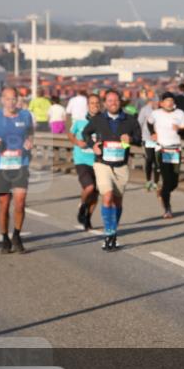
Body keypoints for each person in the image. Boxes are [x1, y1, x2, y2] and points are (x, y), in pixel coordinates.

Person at [82, 89, 142, 251]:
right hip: (102, 164)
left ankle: (113, 231)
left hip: (121, 166)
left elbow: (139, 140)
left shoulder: (130, 120)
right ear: (105, 103)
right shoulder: (98, 120)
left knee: (117, 201)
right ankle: (108, 234)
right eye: (109, 101)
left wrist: (131, 140)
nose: (113, 103)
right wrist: (92, 145)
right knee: (107, 196)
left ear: (120, 102)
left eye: (115, 100)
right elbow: (85, 133)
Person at [0, 86, 35, 253]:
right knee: (4, 204)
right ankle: (4, 237)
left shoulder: (25, 115)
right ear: (2, 100)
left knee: (20, 202)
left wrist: (29, 141)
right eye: (7, 99)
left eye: (14, 99)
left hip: (20, 164)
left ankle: (17, 236)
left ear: (17, 99)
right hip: (0, 166)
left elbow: (30, 132)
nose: (11, 102)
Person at [148, 92, 184, 218]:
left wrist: (180, 129)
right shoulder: (155, 113)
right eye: (167, 100)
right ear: (162, 103)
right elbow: (149, 123)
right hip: (162, 149)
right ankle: (167, 208)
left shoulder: (180, 113)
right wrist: (152, 133)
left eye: (171, 100)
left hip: (175, 149)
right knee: (166, 179)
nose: (169, 103)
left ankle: (162, 193)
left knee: (174, 182)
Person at [69, 93, 102, 230]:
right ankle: (82, 205)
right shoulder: (80, 120)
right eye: (92, 103)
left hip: (98, 160)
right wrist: (77, 142)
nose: (95, 105)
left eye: (97, 103)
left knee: (95, 193)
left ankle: (87, 218)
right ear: (88, 105)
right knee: (89, 187)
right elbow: (70, 134)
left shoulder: (104, 121)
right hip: (81, 159)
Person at [138, 95, 161, 191]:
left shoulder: (161, 111)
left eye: (158, 103)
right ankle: (148, 180)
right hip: (147, 138)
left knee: (157, 161)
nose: (157, 105)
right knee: (149, 159)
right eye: (155, 103)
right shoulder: (145, 110)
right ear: (151, 102)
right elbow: (139, 122)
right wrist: (139, 136)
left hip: (159, 140)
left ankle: (156, 182)